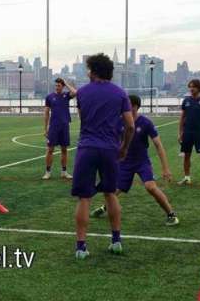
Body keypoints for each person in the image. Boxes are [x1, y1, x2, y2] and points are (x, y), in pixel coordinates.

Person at [71, 53, 135, 259]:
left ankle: (81, 247)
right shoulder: (120, 93)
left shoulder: (82, 93)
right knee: (110, 194)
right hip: (110, 149)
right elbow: (130, 125)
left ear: (94, 71)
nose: (87, 72)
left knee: (84, 198)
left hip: (87, 147)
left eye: (89, 69)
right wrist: (124, 147)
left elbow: (83, 119)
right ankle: (116, 241)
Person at [89, 95, 179, 226]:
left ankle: (171, 215)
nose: (123, 107)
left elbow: (158, 145)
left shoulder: (146, 123)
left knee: (151, 187)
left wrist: (165, 168)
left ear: (135, 107)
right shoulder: (119, 122)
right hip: (124, 163)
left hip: (142, 161)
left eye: (127, 104)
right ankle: (104, 208)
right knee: (114, 190)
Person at [177, 79, 200, 187]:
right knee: (186, 156)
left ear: (198, 88)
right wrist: (180, 133)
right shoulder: (186, 101)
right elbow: (182, 118)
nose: (191, 89)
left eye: (193, 87)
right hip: (187, 133)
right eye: (190, 87)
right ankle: (187, 178)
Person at [42, 78, 77, 180]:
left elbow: (75, 92)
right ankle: (48, 172)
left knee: (64, 149)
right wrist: (45, 128)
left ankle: (64, 172)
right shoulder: (49, 97)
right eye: (56, 85)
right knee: (50, 149)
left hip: (65, 126)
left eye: (59, 86)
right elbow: (46, 113)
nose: (57, 87)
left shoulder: (66, 96)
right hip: (53, 126)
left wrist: (66, 83)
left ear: (63, 86)